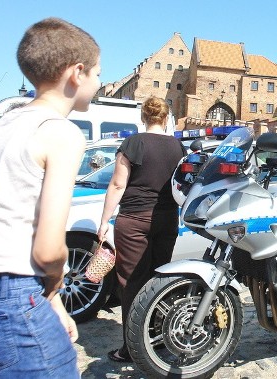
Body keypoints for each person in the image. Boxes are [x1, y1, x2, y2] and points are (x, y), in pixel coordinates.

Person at [0, 18, 101, 377]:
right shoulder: (60, 133)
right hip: (15, 292)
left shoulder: (2, 125)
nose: (99, 83)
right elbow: (48, 250)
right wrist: (53, 295)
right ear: (77, 73)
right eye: (98, 74)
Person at [97, 96, 187, 363]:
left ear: (143, 118)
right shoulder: (177, 146)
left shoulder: (133, 143)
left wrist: (104, 220)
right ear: (166, 117)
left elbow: (117, 185)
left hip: (134, 219)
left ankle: (131, 347)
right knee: (158, 280)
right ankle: (157, 340)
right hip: (167, 218)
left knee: (132, 283)